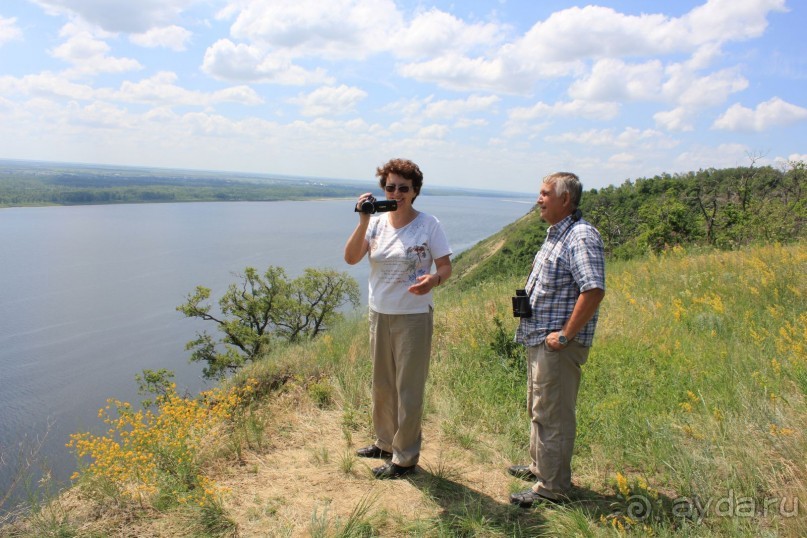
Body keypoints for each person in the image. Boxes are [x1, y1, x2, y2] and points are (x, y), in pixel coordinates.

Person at [344, 158, 453, 479]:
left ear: (415, 191)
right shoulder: (375, 223)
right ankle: (384, 442)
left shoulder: (429, 225)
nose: (396, 192)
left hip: (413, 317)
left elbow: (445, 267)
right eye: (390, 187)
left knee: (408, 389)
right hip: (379, 313)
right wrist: (363, 220)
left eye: (403, 188)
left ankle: (405, 457)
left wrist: (433, 280)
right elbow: (351, 258)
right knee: (382, 384)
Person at [509, 172, 605, 507]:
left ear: (565, 199)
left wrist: (565, 336)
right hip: (541, 340)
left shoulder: (580, 236)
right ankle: (541, 469)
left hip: (557, 346)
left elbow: (593, 290)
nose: (539, 198)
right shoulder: (558, 235)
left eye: (545, 193)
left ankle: (553, 488)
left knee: (554, 415)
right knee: (540, 408)